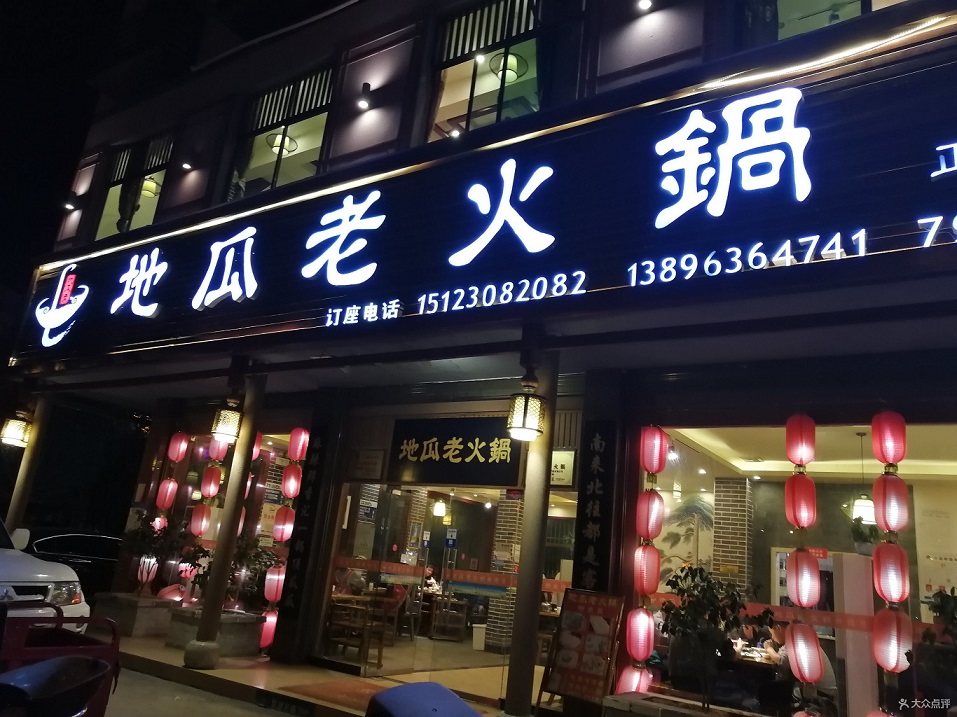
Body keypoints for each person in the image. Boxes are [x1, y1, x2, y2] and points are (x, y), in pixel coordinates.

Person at [760, 619, 837, 716]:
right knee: (774, 688)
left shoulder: (797, 641)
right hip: (817, 688)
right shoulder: (799, 639)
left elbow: (782, 661)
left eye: (772, 633)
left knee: (769, 692)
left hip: (820, 693)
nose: (772, 637)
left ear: (778, 628)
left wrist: (769, 648)